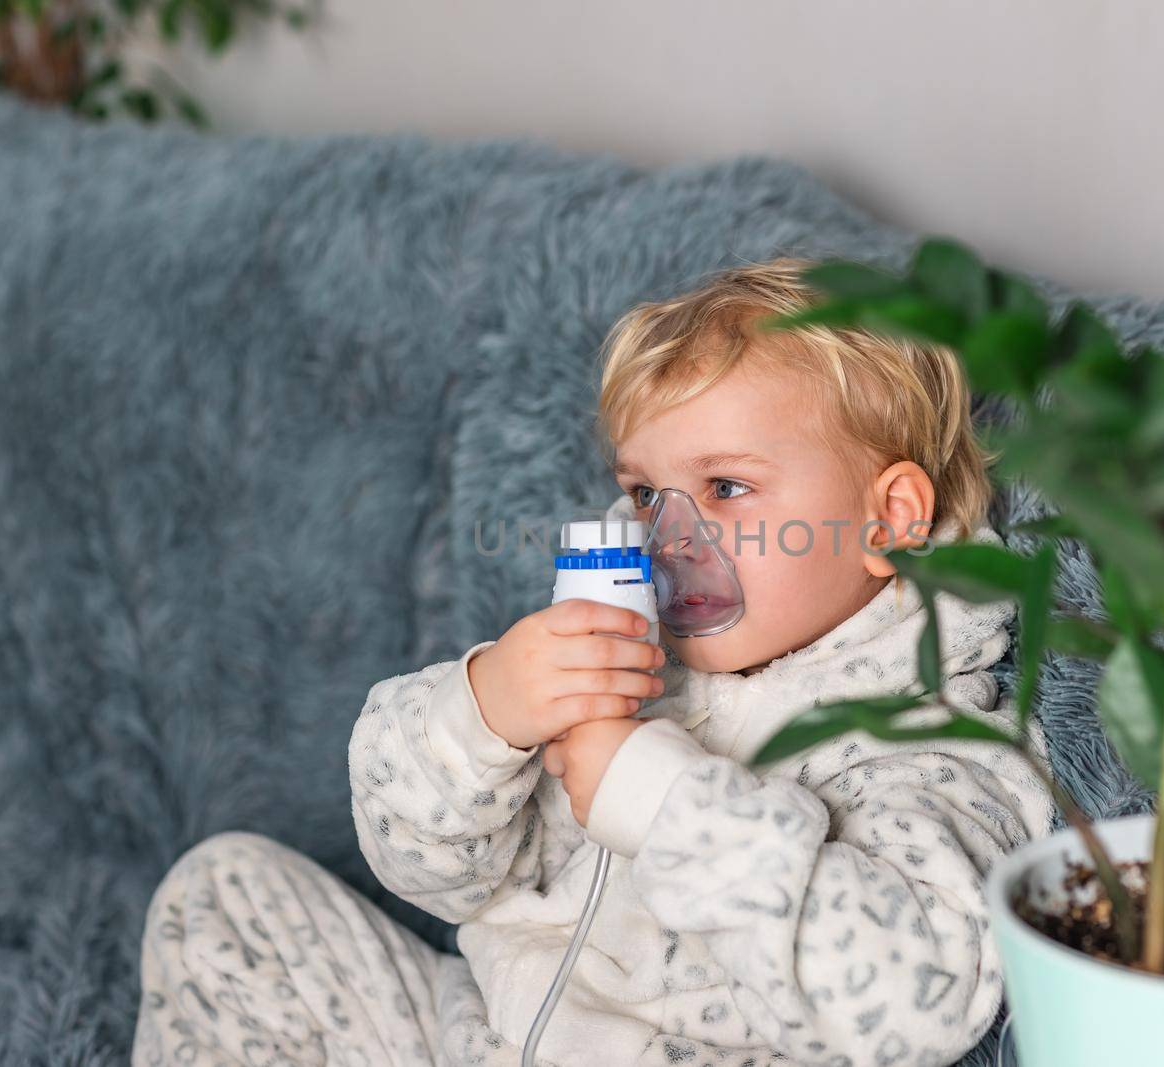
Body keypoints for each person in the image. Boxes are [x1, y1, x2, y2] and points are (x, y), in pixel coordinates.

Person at [131, 258, 1057, 1067]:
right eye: (647, 492)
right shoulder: (629, 668)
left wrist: (660, 799)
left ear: (888, 519)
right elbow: (443, 877)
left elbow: (912, 1004)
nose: (670, 533)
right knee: (228, 892)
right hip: (483, 1036)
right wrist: (484, 714)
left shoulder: (934, 746)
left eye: (727, 488)